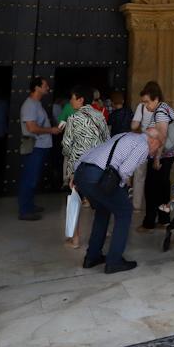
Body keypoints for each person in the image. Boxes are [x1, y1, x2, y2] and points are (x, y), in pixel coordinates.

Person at [75, 127, 162, 274]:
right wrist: (122, 188)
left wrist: (75, 175)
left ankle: (92, 257)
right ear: (153, 140)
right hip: (100, 178)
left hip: (82, 173)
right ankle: (114, 261)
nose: (154, 152)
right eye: (157, 147)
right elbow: (124, 170)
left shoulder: (124, 135)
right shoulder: (143, 145)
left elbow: (94, 151)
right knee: (124, 211)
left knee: (103, 210)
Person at [61, 85, 110, 248]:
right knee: (99, 200)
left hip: (79, 168)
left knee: (75, 201)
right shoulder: (100, 116)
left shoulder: (73, 119)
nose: (70, 101)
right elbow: (107, 140)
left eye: (72, 98)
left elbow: (66, 146)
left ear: (80, 99)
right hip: (98, 167)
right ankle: (103, 231)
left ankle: (75, 239)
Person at [132, 81, 174, 232]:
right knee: (162, 187)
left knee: (151, 188)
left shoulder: (160, 112)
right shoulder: (165, 108)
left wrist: (157, 158)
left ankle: (149, 222)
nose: (145, 106)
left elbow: (162, 136)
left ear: (156, 98)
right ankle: (164, 219)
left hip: (162, 155)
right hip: (167, 154)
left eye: (147, 102)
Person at [19, 76, 62, 221]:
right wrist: (51, 130)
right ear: (36, 87)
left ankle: (29, 206)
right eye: (45, 85)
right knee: (29, 179)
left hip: (41, 146)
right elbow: (31, 128)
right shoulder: (30, 105)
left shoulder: (37, 104)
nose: (47, 88)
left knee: (33, 177)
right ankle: (25, 210)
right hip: (35, 147)